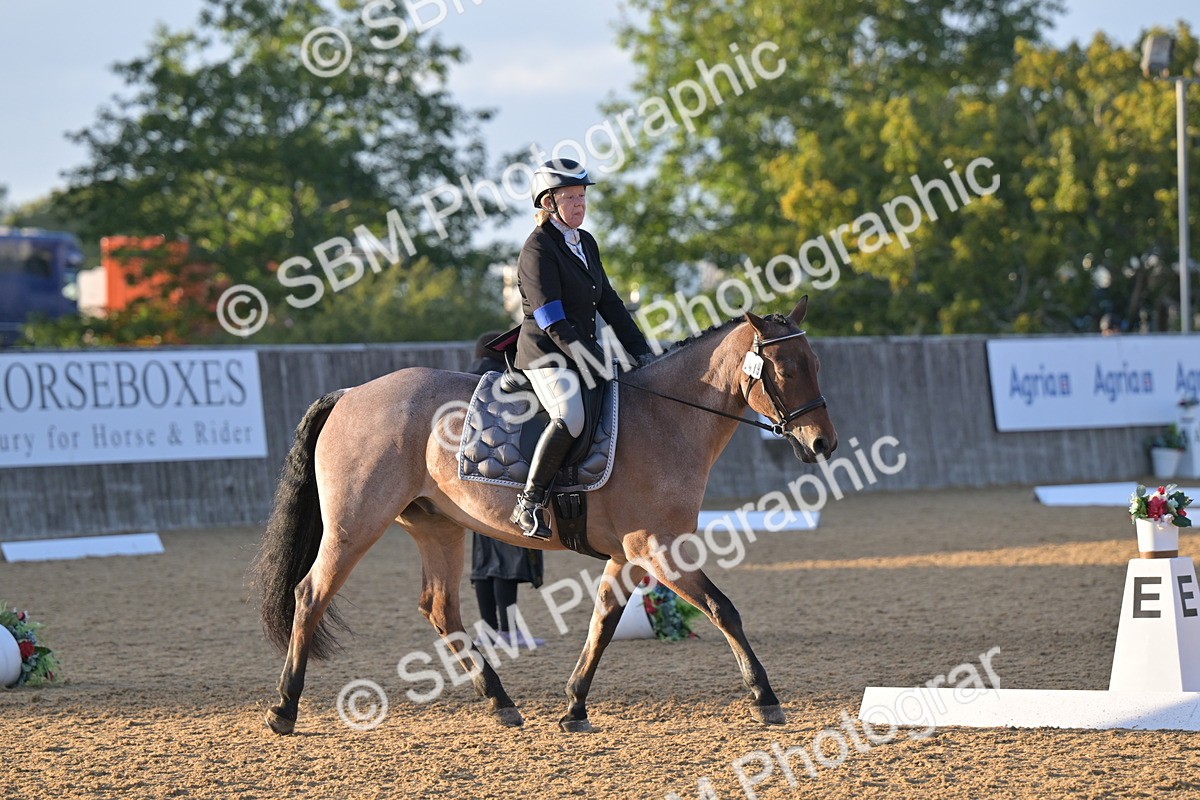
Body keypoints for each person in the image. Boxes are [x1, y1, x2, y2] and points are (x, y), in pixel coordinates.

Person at [510, 158, 653, 539]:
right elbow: (552, 320)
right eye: (570, 198)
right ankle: (529, 502)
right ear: (548, 203)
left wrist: (642, 352)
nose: (580, 204)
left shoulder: (585, 242)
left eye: (582, 196)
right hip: (547, 355)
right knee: (571, 416)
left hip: (581, 352)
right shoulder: (537, 249)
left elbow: (610, 303)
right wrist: (590, 358)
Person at [468, 332, 545, 648]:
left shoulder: (465, 381)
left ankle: (489, 630)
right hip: (504, 475)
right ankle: (509, 631)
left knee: (484, 562)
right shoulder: (506, 381)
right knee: (507, 561)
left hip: (470, 481)